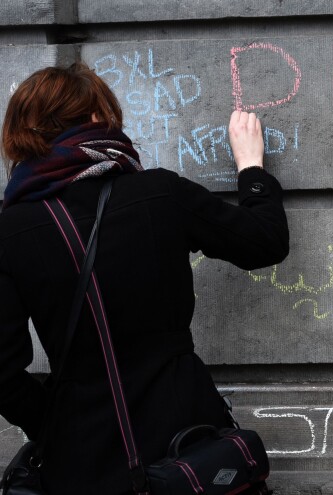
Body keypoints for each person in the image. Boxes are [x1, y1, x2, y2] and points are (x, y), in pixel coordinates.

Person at [0, 63, 288, 492]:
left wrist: (52, 422)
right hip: (185, 444)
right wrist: (251, 169)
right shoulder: (158, 194)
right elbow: (265, 242)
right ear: (98, 119)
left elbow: (2, 371)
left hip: (81, 460)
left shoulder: (11, 231)